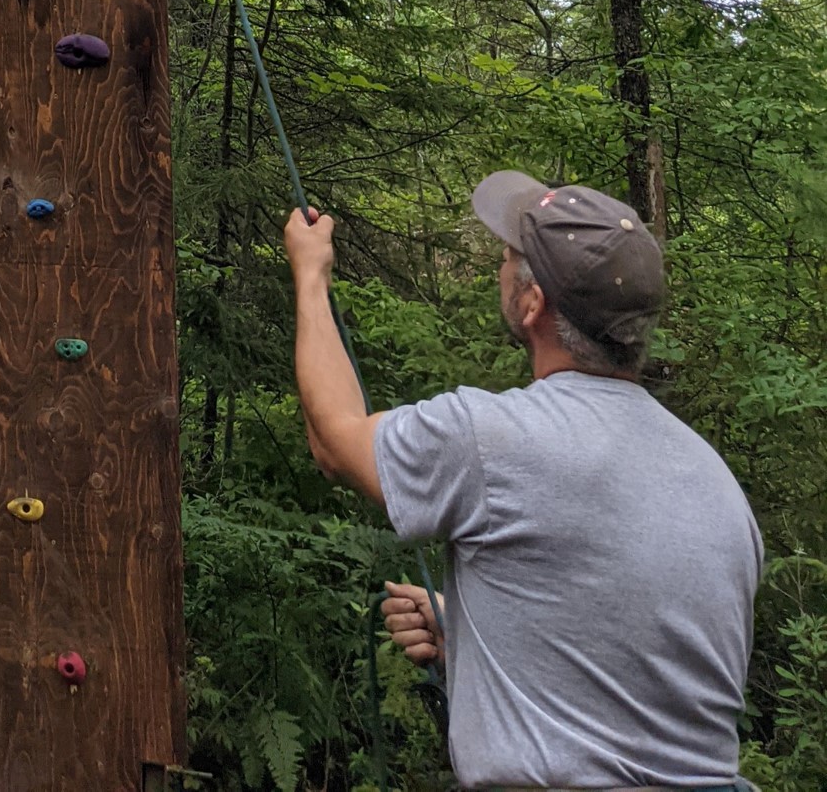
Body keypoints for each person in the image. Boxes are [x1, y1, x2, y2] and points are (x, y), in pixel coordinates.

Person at [284, 173, 762, 792]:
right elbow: (642, 672)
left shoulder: (490, 438)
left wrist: (311, 275)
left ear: (533, 303)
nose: (501, 264)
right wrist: (477, 635)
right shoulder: (715, 481)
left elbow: (334, 438)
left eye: (510, 256)